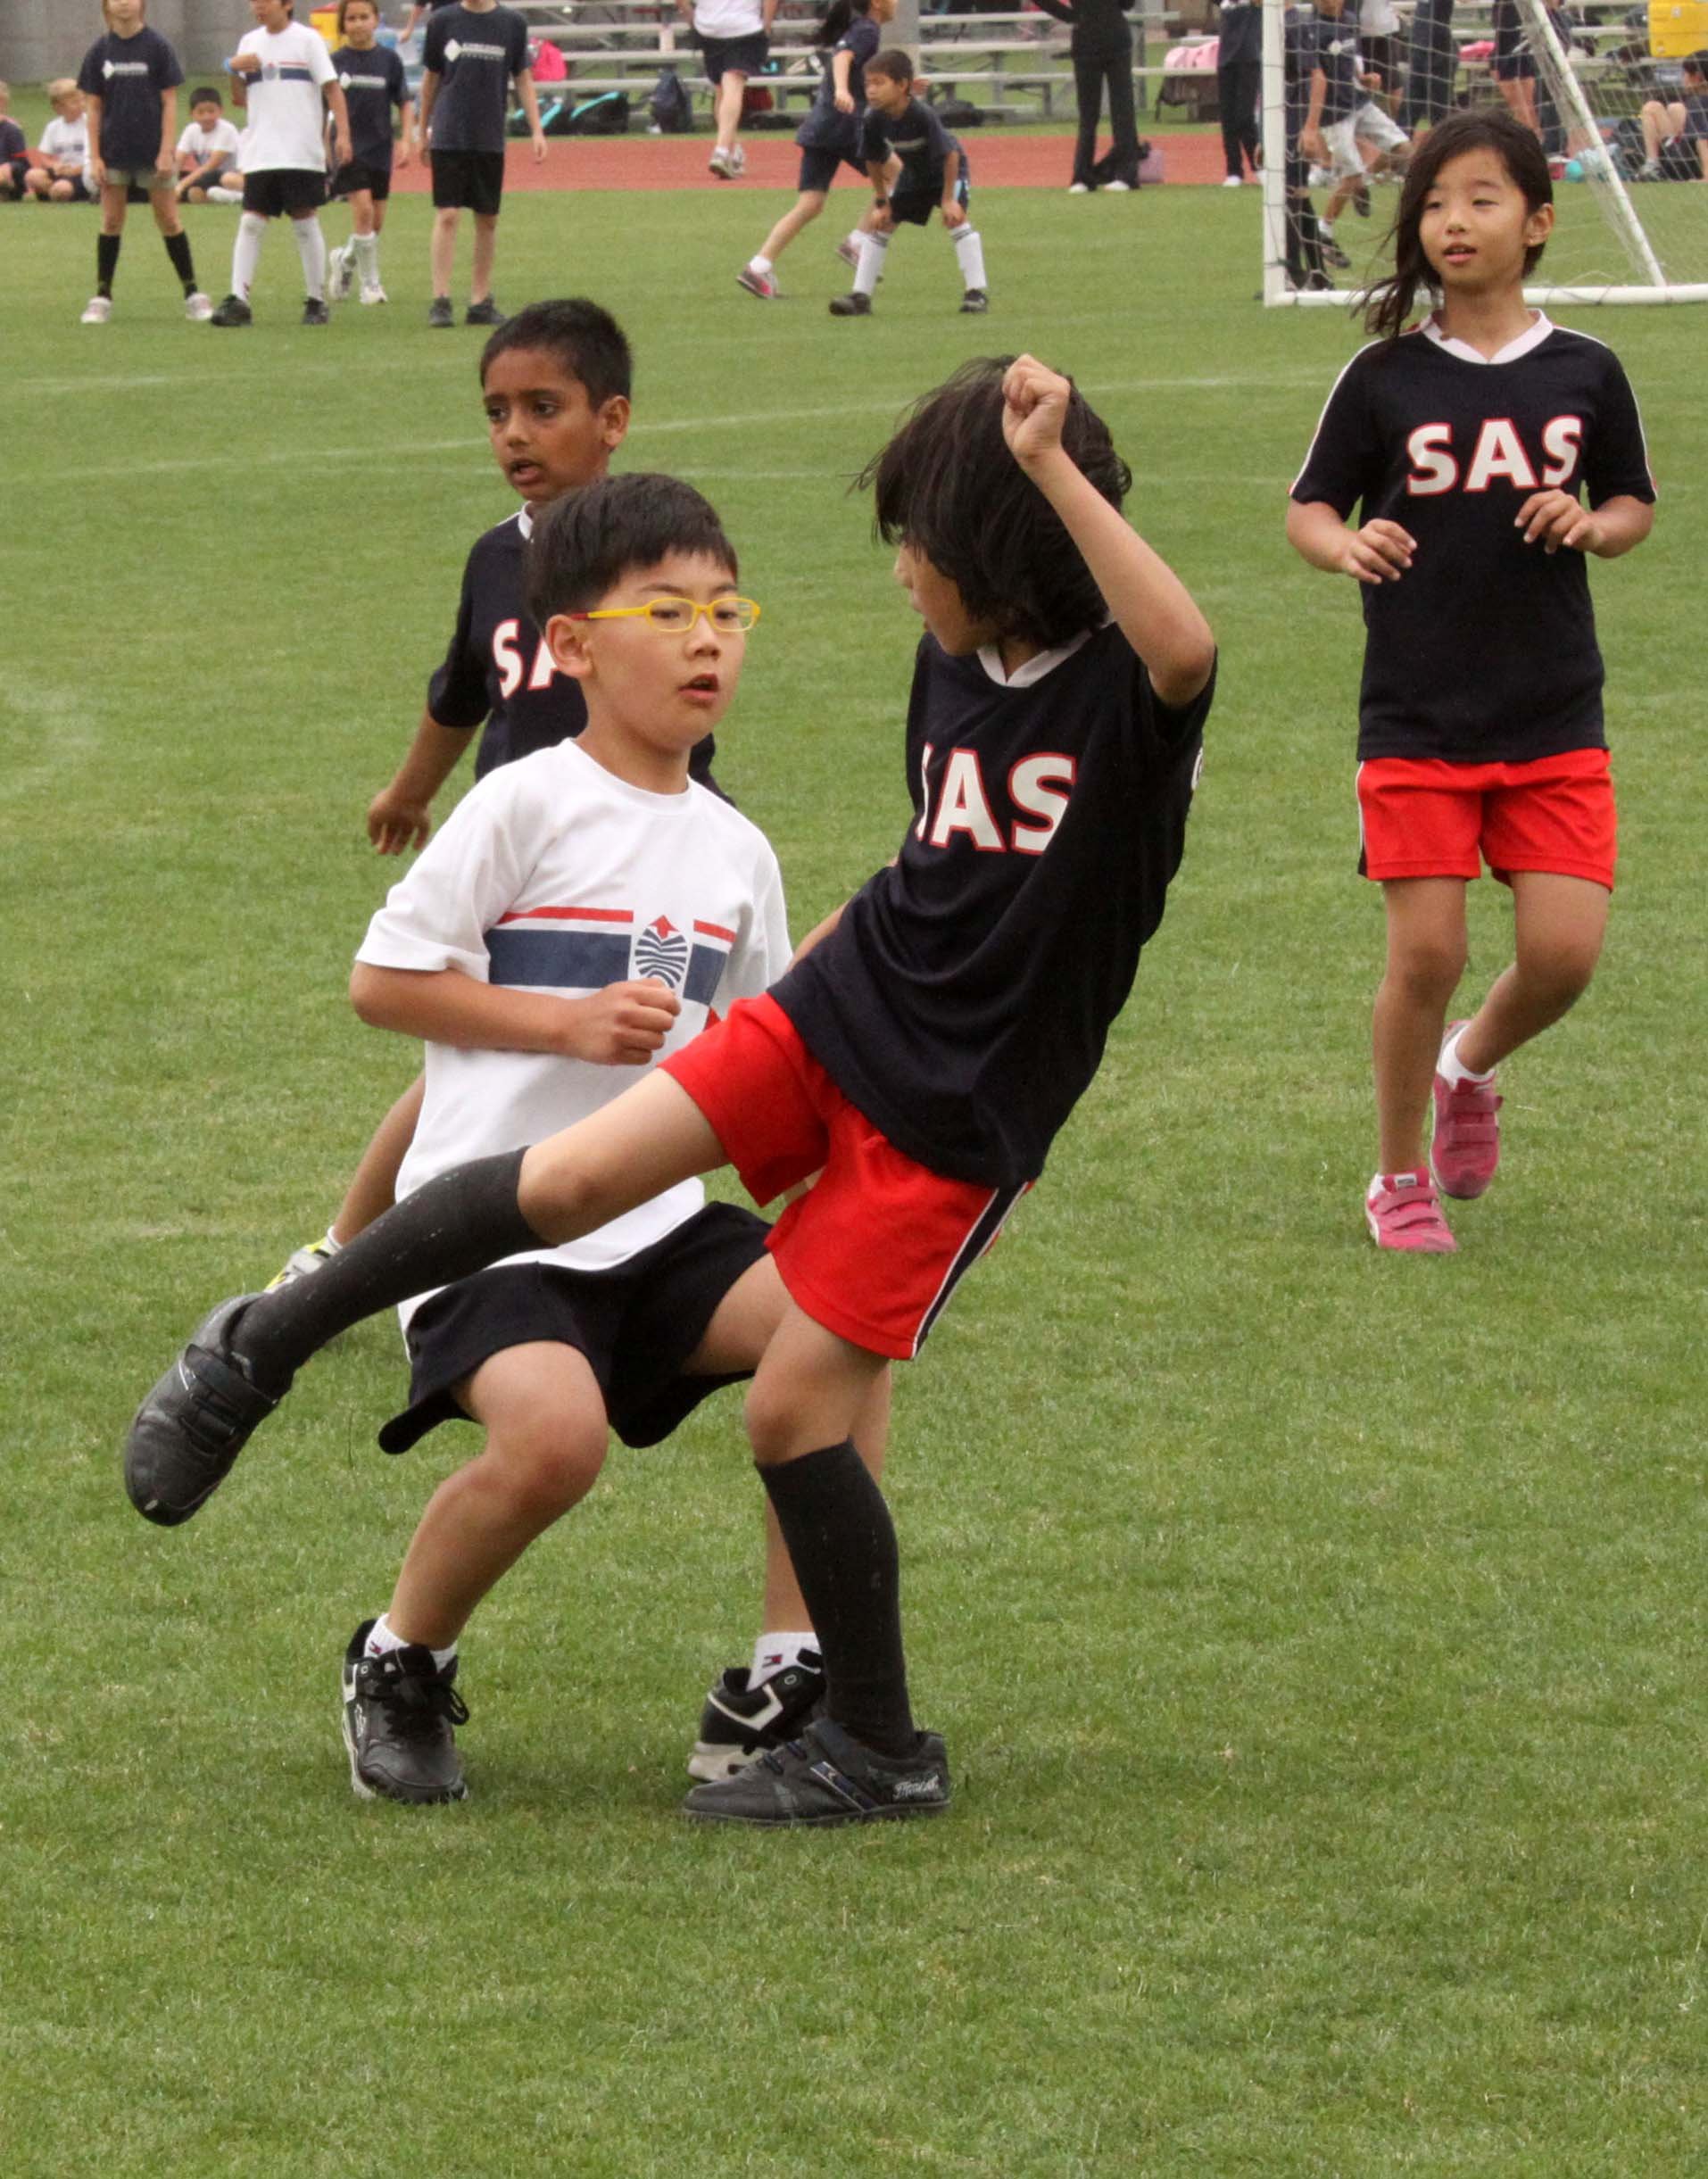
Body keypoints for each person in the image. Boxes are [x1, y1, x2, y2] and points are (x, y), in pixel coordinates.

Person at [125, 351, 1218, 1828]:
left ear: (990, 544)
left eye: (914, 547)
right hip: (843, 1008)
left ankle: (858, 1726)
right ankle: (259, 1346)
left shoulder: (1121, 698)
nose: (899, 576)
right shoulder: (949, 665)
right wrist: (804, 979)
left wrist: (1046, 465)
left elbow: (1182, 647)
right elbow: (928, 871)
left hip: (952, 1112)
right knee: (571, 1177)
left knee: (796, 1406)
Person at [333, 471, 887, 1803]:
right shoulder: (520, 802)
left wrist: (837, 1036)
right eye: (665, 609)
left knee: (844, 1323)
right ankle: (399, 1655)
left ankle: (785, 1670)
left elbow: (740, 1054)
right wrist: (563, 1023)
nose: (707, 638)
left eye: (724, 610)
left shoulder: (735, 851)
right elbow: (384, 983)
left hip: (656, 1228)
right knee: (554, 1442)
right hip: (496, 1229)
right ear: (573, 645)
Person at [268, 301, 710, 1288]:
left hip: (638, 853)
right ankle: (349, 1253)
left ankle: (625, 1249)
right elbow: (463, 692)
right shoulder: (493, 558)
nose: (514, 432)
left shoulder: (656, 561)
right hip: (519, 857)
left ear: (613, 419)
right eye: (497, 411)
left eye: (542, 407)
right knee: (467, 1064)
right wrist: (409, 791)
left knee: (644, 1049)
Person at [1285, 109, 1655, 1253]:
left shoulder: (1587, 369)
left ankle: (1469, 1065)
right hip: (1417, 714)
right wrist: (1344, 546)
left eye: (1484, 198)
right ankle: (1397, 1178)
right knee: (1428, 953)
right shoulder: (1384, 375)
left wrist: (1594, 525)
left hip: (1552, 709)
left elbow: (1635, 502)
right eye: (1437, 201)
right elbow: (1310, 507)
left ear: (1538, 223)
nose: (1455, 220)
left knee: (1562, 955)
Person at [735, 0, 896, 300]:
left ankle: (758, 266)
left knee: (810, 203)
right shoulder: (867, 30)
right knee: (900, 174)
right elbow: (842, 59)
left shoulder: (859, 28)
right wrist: (843, 91)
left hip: (821, 126)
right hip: (845, 125)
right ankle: (859, 241)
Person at [210, 0, 352, 328]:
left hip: (299, 148)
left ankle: (316, 300)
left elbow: (332, 89)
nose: (257, 7)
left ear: (287, 5)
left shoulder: (307, 40)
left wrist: (342, 134)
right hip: (261, 149)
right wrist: (233, 68)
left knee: (304, 220)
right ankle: (239, 299)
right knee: (251, 222)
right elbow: (240, 98)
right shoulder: (249, 41)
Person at [74, 0, 212, 323]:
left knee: (168, 220)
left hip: (153, 152)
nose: (124, 3)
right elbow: (93, 108)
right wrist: (95, 156)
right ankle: (102, 295)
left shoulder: (157, 46)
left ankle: (193, 292)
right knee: (111, 221)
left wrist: (167, 150)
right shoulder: (99, 50)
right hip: (114, 151)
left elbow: (168, 102)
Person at [829, 50, 988, 317]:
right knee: (881, 225)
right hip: (914, 175)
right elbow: (872, 159)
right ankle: (860, 297)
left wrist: (949, 199)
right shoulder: (873, 117)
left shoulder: (922, 114)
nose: (871, 90)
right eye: (868, 84)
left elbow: (951, 154)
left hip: (947, 174)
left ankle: (976, 293)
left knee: (957, 222)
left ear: (902, 85)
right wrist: (881, 201)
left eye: (879, 83)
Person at [420, 0, 547, 329]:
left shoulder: (512, 23)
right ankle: (441, 299)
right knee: (447, 214)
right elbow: (431, 78)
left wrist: (537, 129)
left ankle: (479, 300)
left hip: (489, 135)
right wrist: (422, 130)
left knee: (487, 219)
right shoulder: (443, 21)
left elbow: (523, 78)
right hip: (450, 134)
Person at [1302, 0, 1410, 265]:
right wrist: (1311, 126)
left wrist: (1365, 79)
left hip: (1359, 103)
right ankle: (1324, 232)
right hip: (1334, 115)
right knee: (1350, 179)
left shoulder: (1350, 20)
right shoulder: (1311, 31)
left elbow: (1353, 61)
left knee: (1405, 149)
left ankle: (1366, 180)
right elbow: (1313, 78)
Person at [326, 0, 415, 306]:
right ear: (343, 24)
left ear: (376, 20)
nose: (358, 23)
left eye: (365, 17)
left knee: (375, 223)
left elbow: (403, 102)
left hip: (380, 147)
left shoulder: (389, 60)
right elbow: (322, 108)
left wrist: (406, 139)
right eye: (351, 18)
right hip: (348, 147)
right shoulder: (334, 62)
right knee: (362, 211)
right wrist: (325, 148)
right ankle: (371, 285)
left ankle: (345, 259)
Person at [1030, 0, 1141, 195]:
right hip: (1089, 42)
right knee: (1089, 114)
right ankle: (1083, 175)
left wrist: (1073, 16)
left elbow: (1127, 3)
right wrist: (1070, 16)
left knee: (1121, 110)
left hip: (1113, 42)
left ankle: (1125, 174)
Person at [681, 0, 776, 180]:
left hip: (709, 26)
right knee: (732, 84)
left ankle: (730, 150)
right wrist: (767, 24)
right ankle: (722, 151)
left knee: (721, 90)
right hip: (744, 25)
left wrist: (691, 16)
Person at [1637, 49, 1708, 181]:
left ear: (1697, 77)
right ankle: (1653, 164)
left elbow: (1703, 140)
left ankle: (1653, 164)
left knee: (1651, 107)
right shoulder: (1697, 100)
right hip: (1687, 154)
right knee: (1674, 108)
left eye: (1685, 73)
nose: (1683, 78)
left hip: (1684, 163)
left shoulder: (1697, 103)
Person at [1215, 0, 1261, 186]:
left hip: (1249, 58)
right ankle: (1233, 170)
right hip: (1225, 59)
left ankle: (1259, 166)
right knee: (1227, 118)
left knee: (1244, 117)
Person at [25, 81, 94, 203]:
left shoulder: (90, 124)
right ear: (59, 108)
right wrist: (54, 165)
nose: (80, 105)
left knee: (62, 187)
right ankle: (58, 193)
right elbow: (44, 156)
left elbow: (95, 157)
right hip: (62, 171)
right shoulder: (53, 127)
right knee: (32, 176)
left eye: (82, 100)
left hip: (83, 173)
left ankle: (63, 193)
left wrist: (75, 170)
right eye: (74, 102)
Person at [174, 85, 244, 205]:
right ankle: (216, 196)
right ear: (192, 113)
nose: (206, 117)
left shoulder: (227, 130)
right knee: (194, 190)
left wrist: (180, 185)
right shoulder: (191, 130)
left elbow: (211, 166)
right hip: (209, 179)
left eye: (211, 111)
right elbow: (177, 161)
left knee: (225, 179)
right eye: (200, 112)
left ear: (221, 111)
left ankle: (243, 197)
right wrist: (171, 186)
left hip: (233, 177)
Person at [0, 84, 26, 200]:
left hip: (8, 176)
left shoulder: (12, 130)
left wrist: (9, 166)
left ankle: (6, 192)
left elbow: (22, 164)